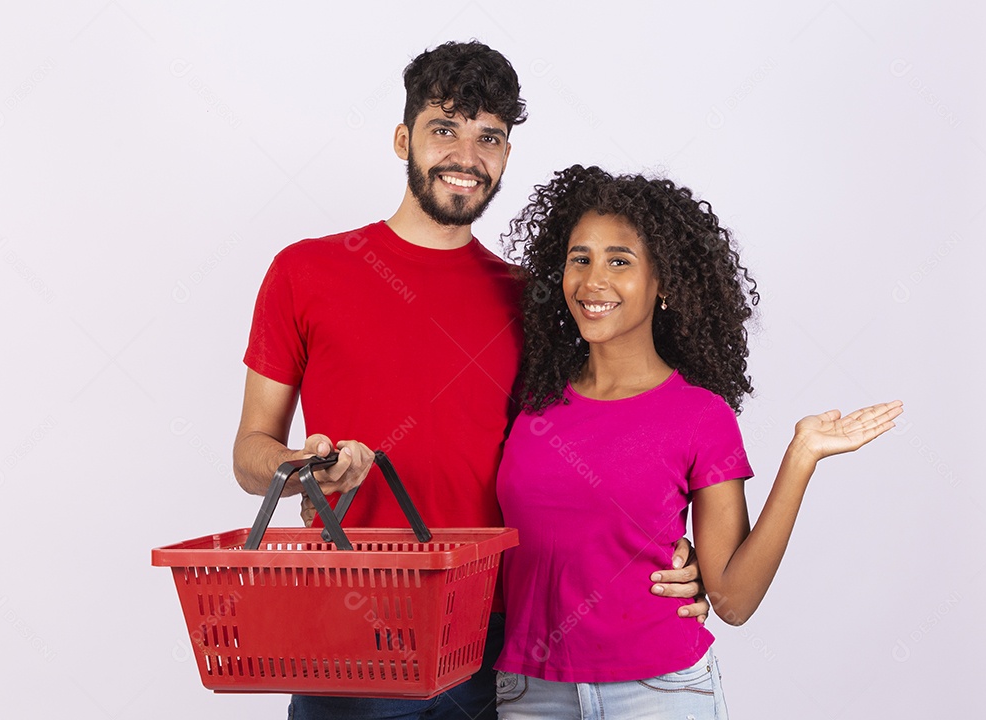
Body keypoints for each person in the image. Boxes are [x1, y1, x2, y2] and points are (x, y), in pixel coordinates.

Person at [231, 44, 708, 720]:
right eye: (444, 128)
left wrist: (667, 545)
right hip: (350, 618)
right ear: (404, 139)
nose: (467, 154)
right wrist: (302, 469)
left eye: (490, 136)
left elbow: (597, 433)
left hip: (495, 637)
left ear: (507, 154)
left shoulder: (535, 301)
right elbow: (251, 453)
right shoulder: (305, 273)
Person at [493, 165, 903, 719]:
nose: (593, 280)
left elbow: (732, 600)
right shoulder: (531, 401)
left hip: (659, 693)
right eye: (579, 258)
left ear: (664, 284)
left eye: (620, 261)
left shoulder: (700, 416)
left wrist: (800, 457)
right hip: (529, 692)